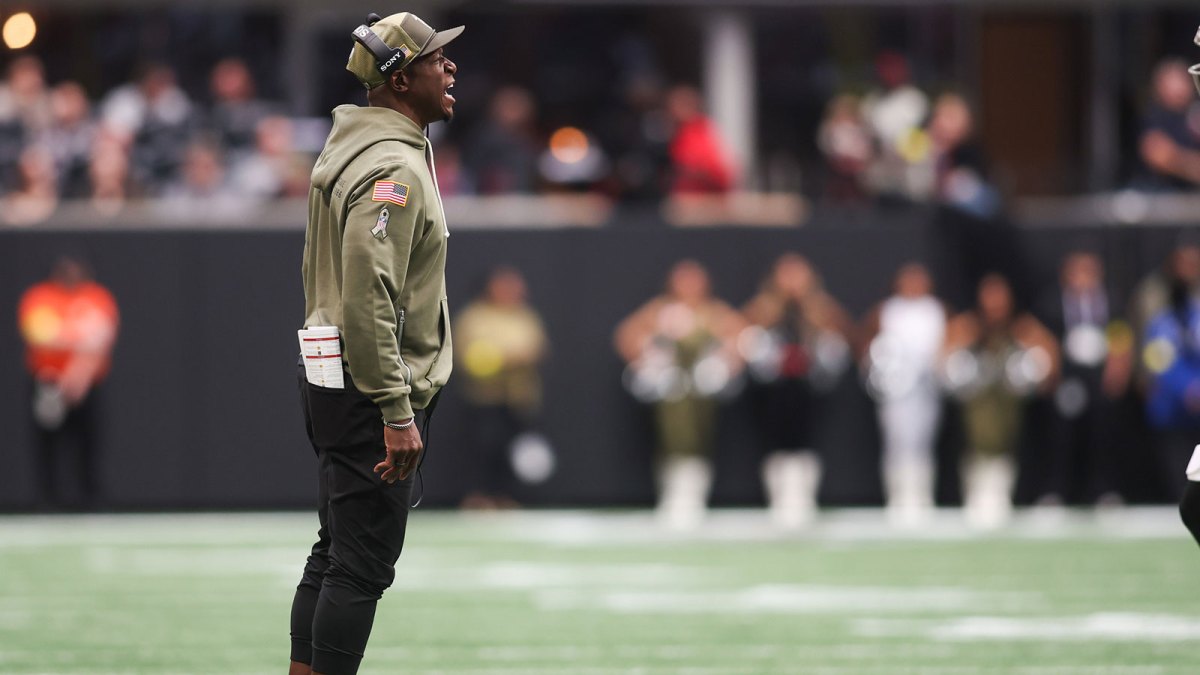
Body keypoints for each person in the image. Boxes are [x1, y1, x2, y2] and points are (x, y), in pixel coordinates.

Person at [290, 11, 462, 675]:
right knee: (359, 567)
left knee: (335, 551)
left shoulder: (355, 149)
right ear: (399, 77)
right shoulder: (390, 165)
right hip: (370, 387)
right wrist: (396, 408)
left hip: (337, 377)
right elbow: (369, 293)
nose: (449, 69)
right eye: (434, 59)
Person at [615, 260, 745, 529]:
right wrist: (647, 357)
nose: (689, 286)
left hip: (702, 388)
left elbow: (742, 336)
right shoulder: (660, 310)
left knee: (700, 435)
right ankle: (673, 494)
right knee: (673, 436)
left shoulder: (713, 312)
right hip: (672, 389)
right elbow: (627, 335)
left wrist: (725, 361)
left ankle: (694, 496)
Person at [741, 254, 851, 528]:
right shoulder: (765, 306)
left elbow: (844, 334)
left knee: (806, 436)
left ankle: (804, 495)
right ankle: (779, 496)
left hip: (808, 382)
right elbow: (742, 332)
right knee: (776, 436)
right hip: (775, 382)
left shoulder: (820, 306)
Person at [942, 274, 1059, 528]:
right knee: (979, 434)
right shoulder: (970, 326)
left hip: (1009, 413)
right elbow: (941, 361)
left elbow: (1050, 358)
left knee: (1004, 441)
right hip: (976, 411)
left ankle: (1003, 492)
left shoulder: (1021, 327)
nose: (994, 305)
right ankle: (976, 491)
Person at [17, 256, 119, 511]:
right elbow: (40, 336)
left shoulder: (95, 296)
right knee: (48, 442)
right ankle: (48, 500)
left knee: (89, 441)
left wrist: (78, 375)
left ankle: (92, 500)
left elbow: (101, 337)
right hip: (49, 381)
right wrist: (76, 338)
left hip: (87, 383)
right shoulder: (40, 297)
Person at [1034, 252, 1132, 507]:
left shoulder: (1111, 300)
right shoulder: (1053, 302)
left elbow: (1120, 334)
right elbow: (1044, 336)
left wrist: (1118, 366)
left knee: (1102, 433)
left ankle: (1103, 491)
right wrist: (1052, 370)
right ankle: (1056, 491)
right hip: (1069, 374)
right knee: (1062, 435)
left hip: (1100, 374)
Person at [453, 267, 549, 508]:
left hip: (519, 397)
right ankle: (478, 497)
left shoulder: (524, 316)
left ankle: (506, 497)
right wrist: (503, 358)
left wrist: (520, 356)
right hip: (485, 396)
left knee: (513, 448)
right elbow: (470, 354)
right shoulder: (475, 316)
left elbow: (538, 347)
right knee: (483, 447)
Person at [861, 263, 948, 527]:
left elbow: (948, 341)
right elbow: (867, 341)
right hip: (896, 385)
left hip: (927, 383)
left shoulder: (936, 309)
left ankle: (921, 495)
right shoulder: (888, 309)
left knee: (923, 439)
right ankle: (898, 496)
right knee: (897, 439)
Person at [1135, 58, 1200, 191]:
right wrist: (1191, 166)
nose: (1181, 88)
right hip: (1159, 195)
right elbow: (1157, 154)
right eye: (1175, 81)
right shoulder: (1155, 116)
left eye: (1184, 80)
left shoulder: (1192, 115)